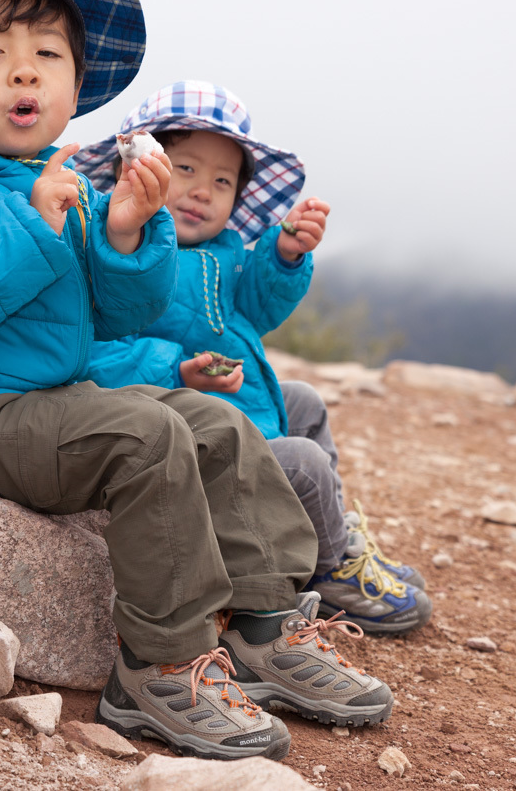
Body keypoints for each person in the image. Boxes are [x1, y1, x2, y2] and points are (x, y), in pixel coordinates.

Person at [0, 0, 393, 762]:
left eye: (48, 59)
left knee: (215, 422)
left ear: (75, 87)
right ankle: (158, 666)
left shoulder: (62, 183)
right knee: (149, 438)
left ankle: (262, 627)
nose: (24, 76)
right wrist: (32, 222)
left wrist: (128, 230)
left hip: (42, 406)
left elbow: (127, 316)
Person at [77, 81, 432, 635]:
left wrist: (284, 257)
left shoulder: (225, 256)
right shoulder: (122, 251)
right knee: (304, 461)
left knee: (306, 402)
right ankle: (330, 568)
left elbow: (256, 312)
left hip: (241, 408)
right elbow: (95, 351)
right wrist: (175, 370)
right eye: (185, 169)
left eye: (222, 181)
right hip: (197, 436)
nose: (202, 191)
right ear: (139, 168)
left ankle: (333, 535)